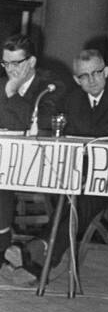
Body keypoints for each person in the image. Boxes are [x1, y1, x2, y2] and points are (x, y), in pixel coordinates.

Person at [39, 49, 108, 282]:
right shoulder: (70, 99)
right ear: (77, 80)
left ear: (106, 71)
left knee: (84, 197)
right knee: (66, 189)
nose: (92, 80)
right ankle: (45, 254)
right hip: (79, 172)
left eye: (96, 72)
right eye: (84, 76)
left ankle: (43, 250)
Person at [0, 34, 66, 285]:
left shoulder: (52, 85)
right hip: (9, 162)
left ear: (33, 61)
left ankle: (22, 254)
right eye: (6, 64)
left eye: (17, 63)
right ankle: (3, 248)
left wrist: (11, 93)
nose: (11, 70)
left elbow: (42, 121)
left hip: (46, 164)